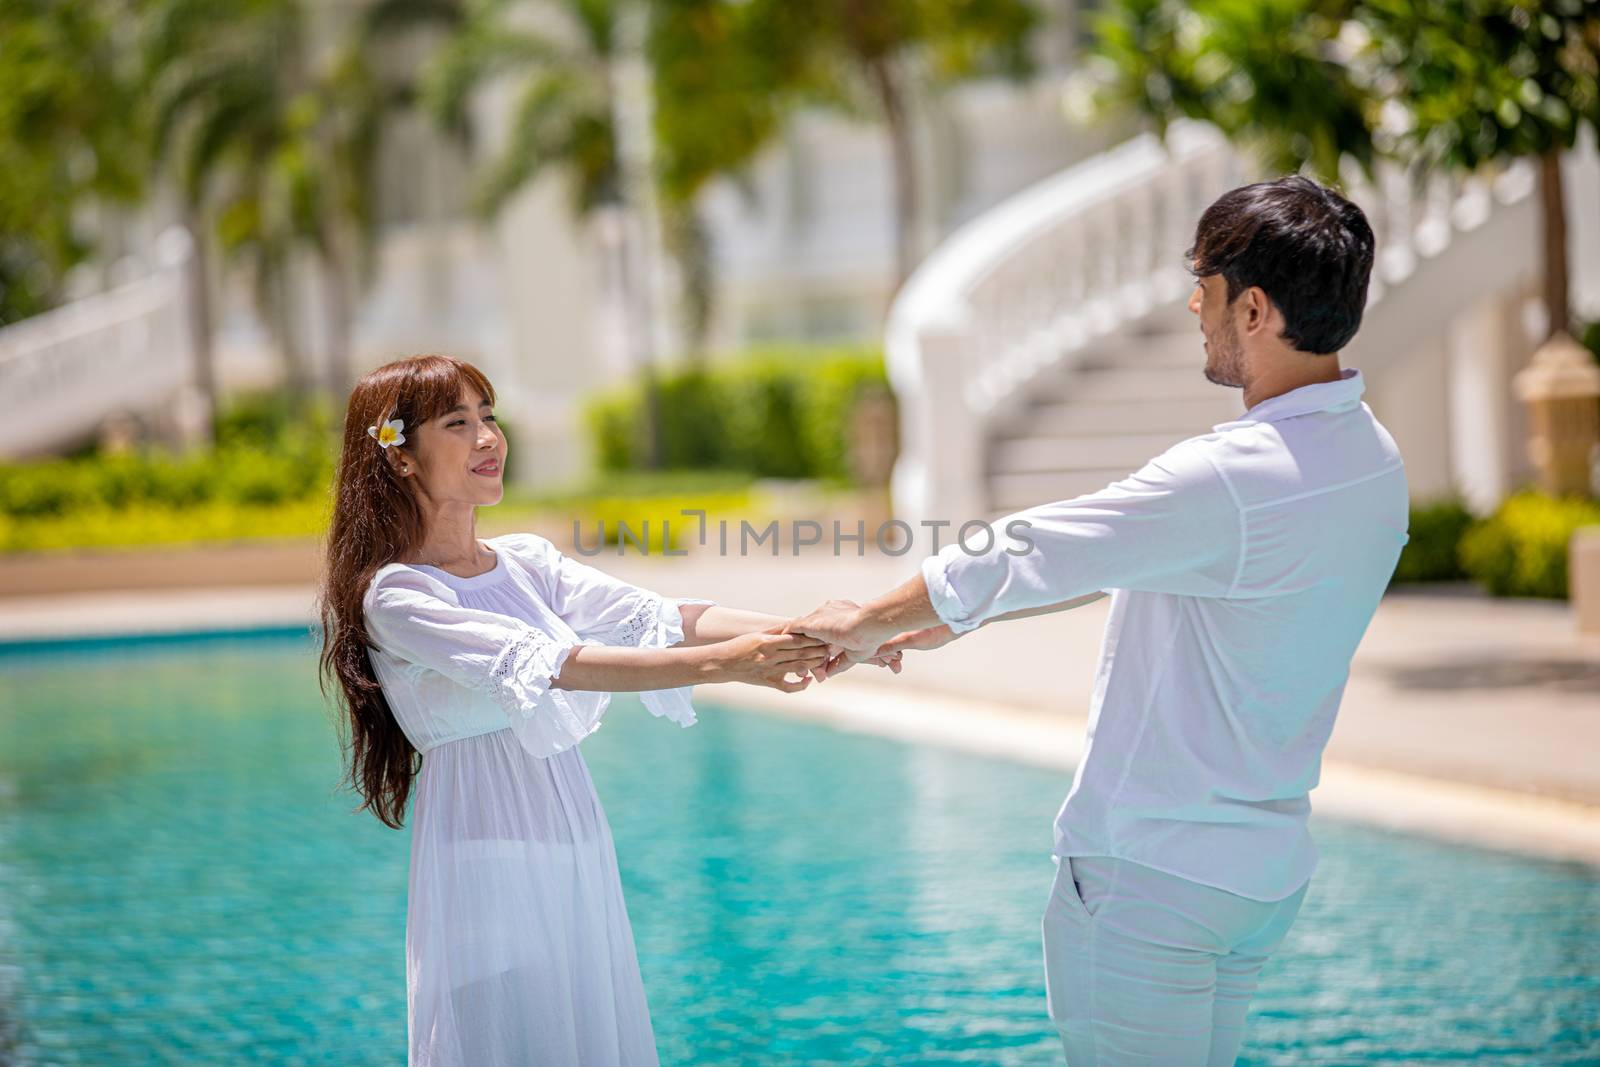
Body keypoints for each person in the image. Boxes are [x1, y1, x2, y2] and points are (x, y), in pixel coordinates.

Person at [790, 175, 1410, 1065]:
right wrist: (946, 621)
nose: (1192, 301)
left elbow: (1032, 544)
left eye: (1206, 281)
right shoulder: (1373, 460)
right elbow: (1139, 559)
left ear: (1256, 310)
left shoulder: (1231, 475)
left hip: (1151, 881)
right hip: (1260, 877)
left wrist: (865, 618)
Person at [315, 353, 896, 1067]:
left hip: (568, 826)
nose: (488, 437)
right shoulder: (399, 596)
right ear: (399, 455)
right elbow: (554, 666)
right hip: (481, 839)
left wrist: (825, 631)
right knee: (508, 1038)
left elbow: (659, 615)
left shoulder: (526, 561)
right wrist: (731, 666)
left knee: (586, 1031)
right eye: (457, 422)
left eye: (489, 417)